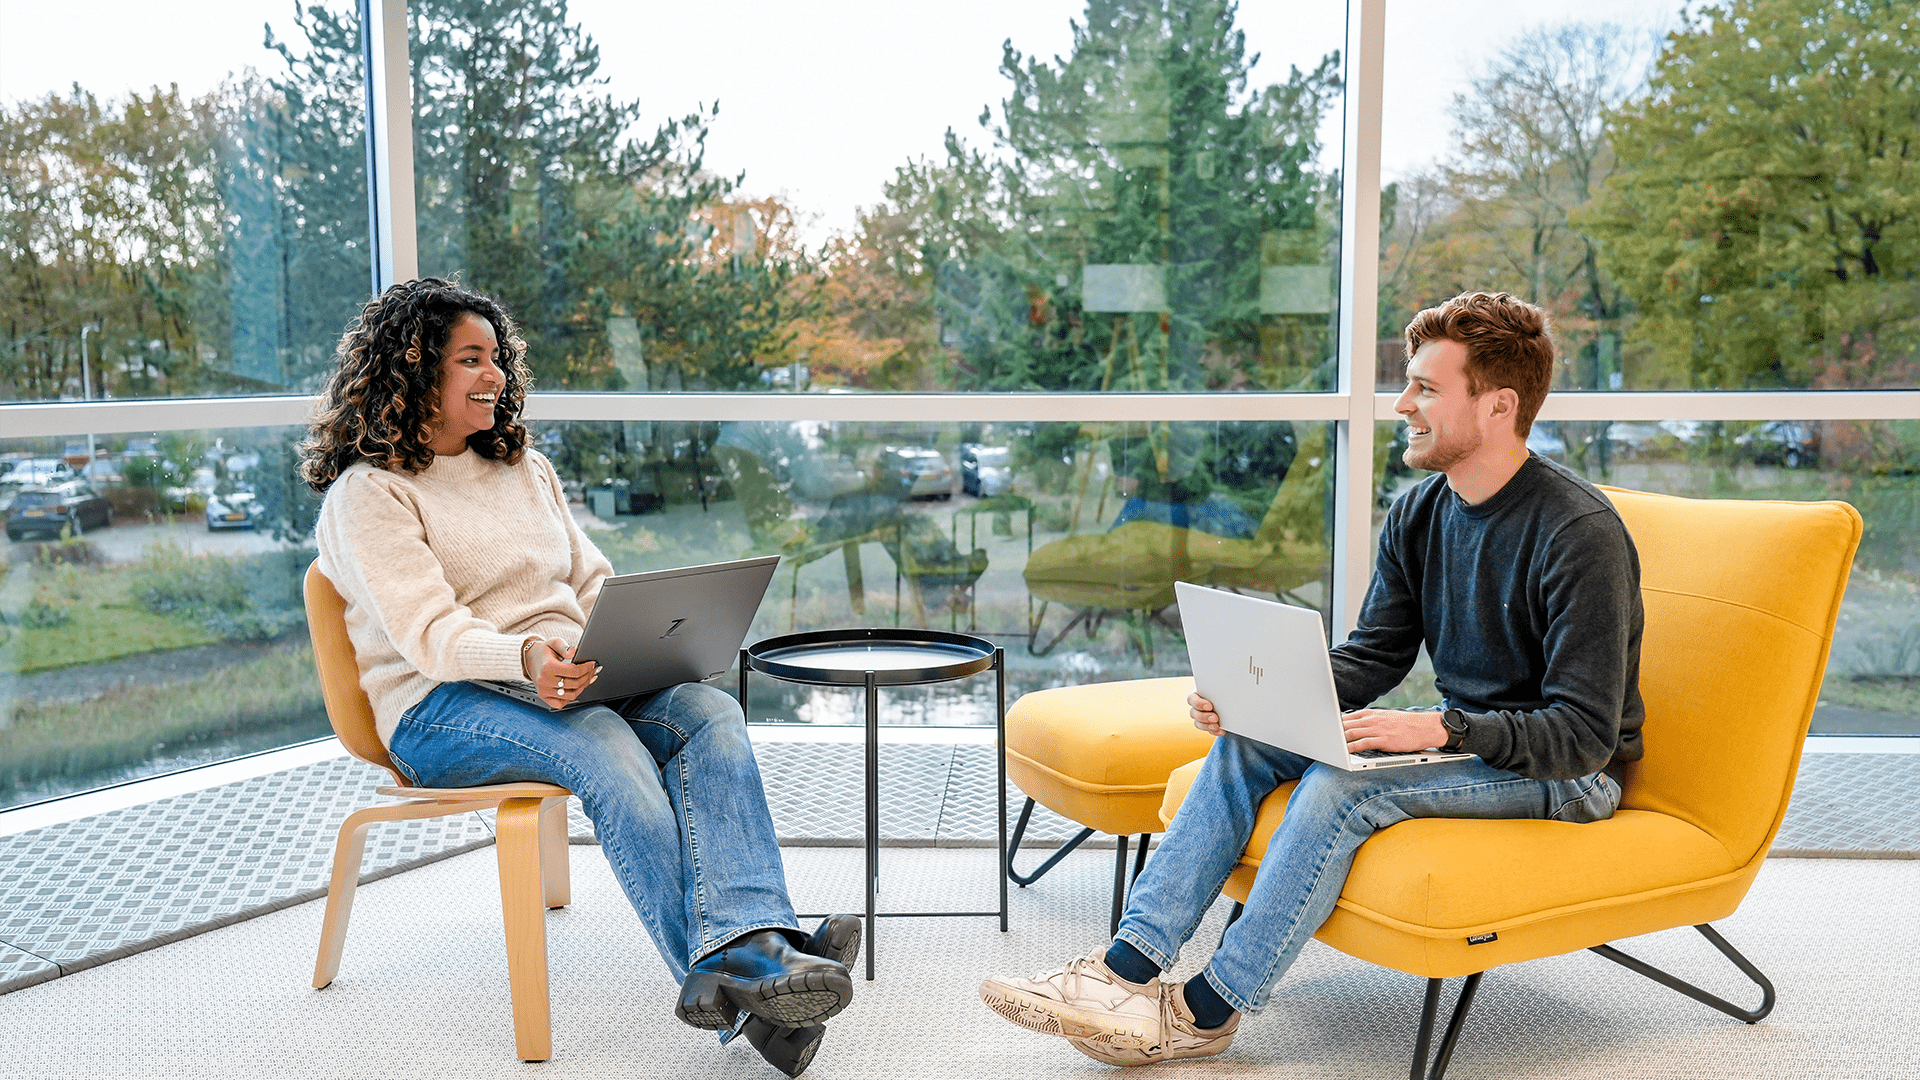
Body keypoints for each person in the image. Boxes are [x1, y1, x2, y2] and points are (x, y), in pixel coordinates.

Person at [979, 291, 1644, 1067]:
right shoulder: (1421, 512)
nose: (1402, 404)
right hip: (1469, 738)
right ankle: (1120, 974)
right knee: (1247, 745)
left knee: (1340, 788)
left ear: (1499, 406)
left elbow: (1585, 736)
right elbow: (1376, 656)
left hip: (1565, 774)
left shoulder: (1578, 534)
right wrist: (1257, 696)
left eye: (1426, 388)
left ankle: (1205, 1013)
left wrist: (1441, 727)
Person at [302, 278, 853, 1077]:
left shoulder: (525, 469)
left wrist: (646, 639)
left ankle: (752, 958)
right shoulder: (370, 494)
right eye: (470, 358)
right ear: (414, 368)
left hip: (559, 677)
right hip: (437, 707)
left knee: (707, 712)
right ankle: (758, 958)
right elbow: (430, 636)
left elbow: (590, 581)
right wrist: (527, 657)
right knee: (599, 739)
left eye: (497, 357)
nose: (494, 374)